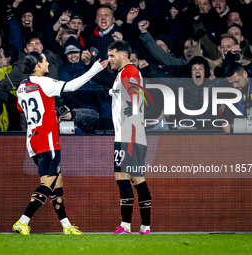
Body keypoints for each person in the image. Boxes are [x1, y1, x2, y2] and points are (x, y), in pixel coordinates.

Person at [13, 51, 108, 235]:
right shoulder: (45, 82)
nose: (48, 63)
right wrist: (95, 69)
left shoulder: (21, 87)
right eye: (45, 61)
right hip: (48, 139)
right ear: (38, 65)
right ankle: (22, 220)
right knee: (48, 184)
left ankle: (66, 226)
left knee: (57, 182)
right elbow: (72, 86)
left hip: (32, 140)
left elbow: (21, 108)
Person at [107, 40, 152, 235]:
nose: (109, 60)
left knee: (122, 178)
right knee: (137, 179)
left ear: (123, 55)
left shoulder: (129, 71)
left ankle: (125, 226)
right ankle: (145, 227)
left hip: (128, 134)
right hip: (134, 133)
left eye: (112, 56)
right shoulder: (122, 73)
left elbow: (135, 93)